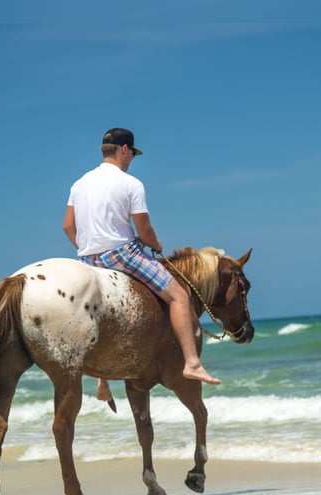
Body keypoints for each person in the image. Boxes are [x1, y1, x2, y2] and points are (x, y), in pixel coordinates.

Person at [63, 128, 221, 406]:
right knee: (180, 296)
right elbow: (144, 231)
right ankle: (192, 363)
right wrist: (156, 245)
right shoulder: (131, 183)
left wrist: (87, 247)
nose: (132, 159)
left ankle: (102, 381)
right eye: (132, 154)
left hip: (87, 260)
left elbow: (67, 226)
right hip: (122, 255)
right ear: (124, 150)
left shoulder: (79, 184)